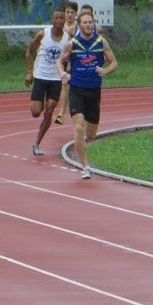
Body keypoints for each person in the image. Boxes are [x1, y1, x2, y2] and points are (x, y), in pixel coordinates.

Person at [57, 12, 118, 179]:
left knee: (90, 135)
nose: (88, 25)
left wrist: (105, 70)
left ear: (93, 24)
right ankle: (85, 167)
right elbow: (60, 61)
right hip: (77, 89)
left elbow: (114, 63)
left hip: (94, 91)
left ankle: (82, 145)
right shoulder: (72, 44)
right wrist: (62, 73)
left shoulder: (101, 42)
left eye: (90, 22)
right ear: (79, 25)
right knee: (78, 127)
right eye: (84, 22)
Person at [24, 9, 68, 156]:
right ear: (52, 20)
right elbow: (29, 51)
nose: (59, 20)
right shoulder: (43, 34)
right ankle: (40, 103)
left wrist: (69, 71)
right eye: (56, 18)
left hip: (56, 79)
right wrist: (29, 73)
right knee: (36, 112)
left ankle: (37, 143)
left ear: (64, 21)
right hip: (41, 77)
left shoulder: (68, 38)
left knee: (49, 111)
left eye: (61, 18)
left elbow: (73, 55)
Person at [54, 1, 79, 126]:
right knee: (64, 84)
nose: (69, 15)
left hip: (75, 60)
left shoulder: (78, 27)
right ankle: (61, 113)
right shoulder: (59, 26)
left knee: (74, 87)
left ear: (75, 14)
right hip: (61, 59)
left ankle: (76, 113)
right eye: (67, 12)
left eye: (72, 12)